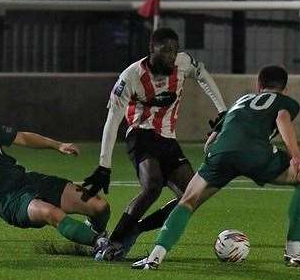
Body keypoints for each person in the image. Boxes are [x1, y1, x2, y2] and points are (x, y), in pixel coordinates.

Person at [132, 65, 300, 270]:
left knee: (188, 201)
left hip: (220, 154)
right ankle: (295, 252)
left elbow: (210, 142)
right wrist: (296, 155)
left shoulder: (240, 102)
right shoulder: (285, 102)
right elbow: (282, 117)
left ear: (259, 85)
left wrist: (212, 161)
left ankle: (154, 257)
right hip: (256, 154)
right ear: (284, 88)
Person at [83, 27, 227, 261]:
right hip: (140, 135)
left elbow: (202, 74)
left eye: (174, 51)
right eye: (166, 51)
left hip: (168, 139)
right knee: (152, 186)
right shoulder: (130, 77)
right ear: (152, 49)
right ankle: (115, 241)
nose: (171, 56)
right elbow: (112, 121)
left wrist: (223, 110)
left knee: (192, 196)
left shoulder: (183, 63)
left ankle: (137, 229)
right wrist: (103, 165)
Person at [0, 98, 111, 256]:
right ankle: (101, 245)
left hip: (29, 180)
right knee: (51, 213)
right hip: (10, 202)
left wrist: (58, 145)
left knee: (100, 207)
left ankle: (94, 232)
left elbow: (22, 137)